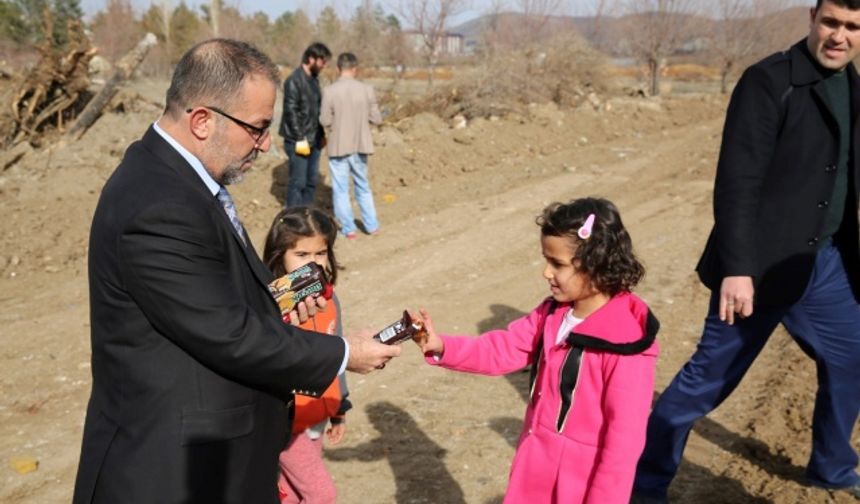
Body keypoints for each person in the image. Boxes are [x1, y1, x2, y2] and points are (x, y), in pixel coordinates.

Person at [72, 39, 399, 504]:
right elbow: (228, 333)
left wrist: (280, 297)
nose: (266, 144)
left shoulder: (177, 178)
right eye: (258, 128)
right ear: (203, 121)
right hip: (171, 472)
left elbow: (205, 294)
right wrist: (344, 354)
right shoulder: (157, 205)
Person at [632, 1, 860, 502]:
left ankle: (833, 465)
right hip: (758, 268)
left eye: (852, 27)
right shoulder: (769, 80)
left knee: (851, 360)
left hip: (823, 263)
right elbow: (738, 183)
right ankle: (643, 486)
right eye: (831, 22)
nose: (839, 36)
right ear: (812, 19)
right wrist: (738, 269)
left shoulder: (854, 86)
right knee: (704, 385)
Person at [412, 197, 660, 504]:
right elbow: (502, 348)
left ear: (596, 263)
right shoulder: (553, 314)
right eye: (546, 260)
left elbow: (623, 443)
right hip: (535, 468)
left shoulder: (625, 343)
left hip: (581, 485)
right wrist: (443, 346)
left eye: (557, 264)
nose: (546, 272)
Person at [262, 207, 351, 504]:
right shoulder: (269, 308)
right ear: (279, 255)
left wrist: (340, 408)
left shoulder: (330, 298)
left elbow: (337, 353)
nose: (312, 264)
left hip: (317, 415)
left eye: (320, 254)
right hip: (287, 423)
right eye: (301, 255)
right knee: (321, 494)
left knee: (290, 491)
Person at [319, 52, 383, 239]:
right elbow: (376, 118)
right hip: (361, 144)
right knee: (363, 186)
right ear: (355, 69)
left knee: (340, 189)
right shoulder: (367, 89)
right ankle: (372, 226)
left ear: (338, 68)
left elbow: (324, 120)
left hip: (338, 146)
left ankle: (349, 230)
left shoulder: (330, 91)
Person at [280, 42, 331, 208]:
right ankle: (293, 218)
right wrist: (300, 138)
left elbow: (316, 111)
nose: (324, 65)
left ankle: (306, 215)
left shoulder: (314, 81)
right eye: (322, 61)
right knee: (298, 183)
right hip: (299, 139)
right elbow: (291, 112)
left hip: (314, 140)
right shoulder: (294, 81)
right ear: (311, 59)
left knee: (311, 182)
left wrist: (322, 135)